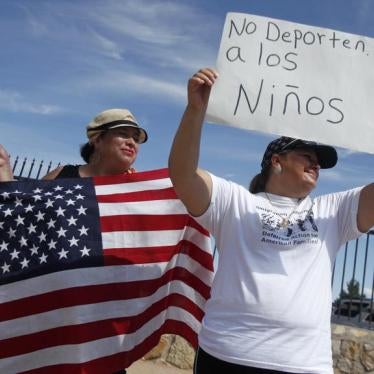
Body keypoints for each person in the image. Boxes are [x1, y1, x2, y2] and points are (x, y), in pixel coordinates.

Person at [168, 68, 374, 374]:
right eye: (306, 154)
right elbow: (183, 176)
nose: (316, 163)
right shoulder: (235, 201)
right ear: (276, 161)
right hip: (226, 353)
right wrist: (195, 110)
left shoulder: (335, 210)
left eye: (319, 160)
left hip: (304, 363)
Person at [0, 108, 148, 374]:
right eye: (122, 134)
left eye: (135, 138)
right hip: (55, 309)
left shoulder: (136, 190)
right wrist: (5, 178)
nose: (131, 142)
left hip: (103, 316)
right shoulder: (61, 176)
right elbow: (22, 226)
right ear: (97, 139)